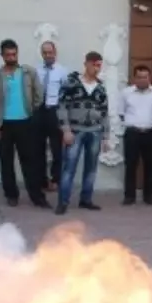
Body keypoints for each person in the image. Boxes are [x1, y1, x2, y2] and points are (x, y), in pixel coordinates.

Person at [0, 38, 48, 208]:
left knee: (30, 161)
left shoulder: (28, 72)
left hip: (25, 123)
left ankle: (36, 196)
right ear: (2, 56)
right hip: (4, 124)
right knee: (6, 162)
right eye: (8, 55)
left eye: (14, 54)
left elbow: (39, 95)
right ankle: (11, 194)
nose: (11, 57)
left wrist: (31, 110)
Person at [55, 50, 109, 214]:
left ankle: (86, 199)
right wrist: (66, 130)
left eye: (99, 65)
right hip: (75, 130)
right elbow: (62, 107)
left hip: (94, 131)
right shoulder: (71, 83)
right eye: (93, 64)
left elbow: (105, 111)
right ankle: (63, 201)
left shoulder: (100, 87)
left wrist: (106, 136)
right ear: (86, 63)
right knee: (69, 167)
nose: (96, 68)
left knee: (91, 167)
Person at [120, 64, 152, 206]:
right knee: (131, 165)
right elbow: (121, 113)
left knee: (150, 165)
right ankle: (129, 196)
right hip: (133, 133)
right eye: (139, 77)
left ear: (149, 78)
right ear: (134, 78)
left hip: (151, 132)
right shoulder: (126, 93)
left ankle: (149, 196)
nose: (142, 80)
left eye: (145, 77)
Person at [36, 40, 68, 192]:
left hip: (54, 111)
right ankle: (42, 180)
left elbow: (66, 93)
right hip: (39, 112)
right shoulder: (36, 71)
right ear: (41, 54)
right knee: (38, 148)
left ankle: (56, 179)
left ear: (55, 53)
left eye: (50, 52)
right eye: (45, 52)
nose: (48, 55)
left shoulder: (62, 71)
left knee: (57, 148)